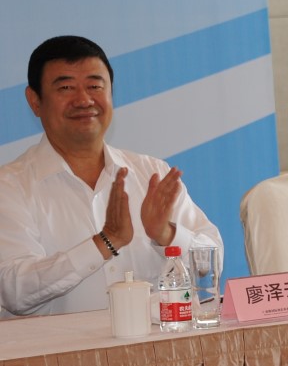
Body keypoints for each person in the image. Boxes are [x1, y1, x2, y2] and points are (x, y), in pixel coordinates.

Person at [0, 35, 221, 318]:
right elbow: (13, 290)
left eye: (95, 86)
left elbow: (212, 264)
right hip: (60, 347)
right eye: (66, 87)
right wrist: (105, 242)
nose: (84, 100)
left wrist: (166, 234)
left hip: (156, 345)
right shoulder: (10, 187)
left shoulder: (151, 173)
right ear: (35, 101)